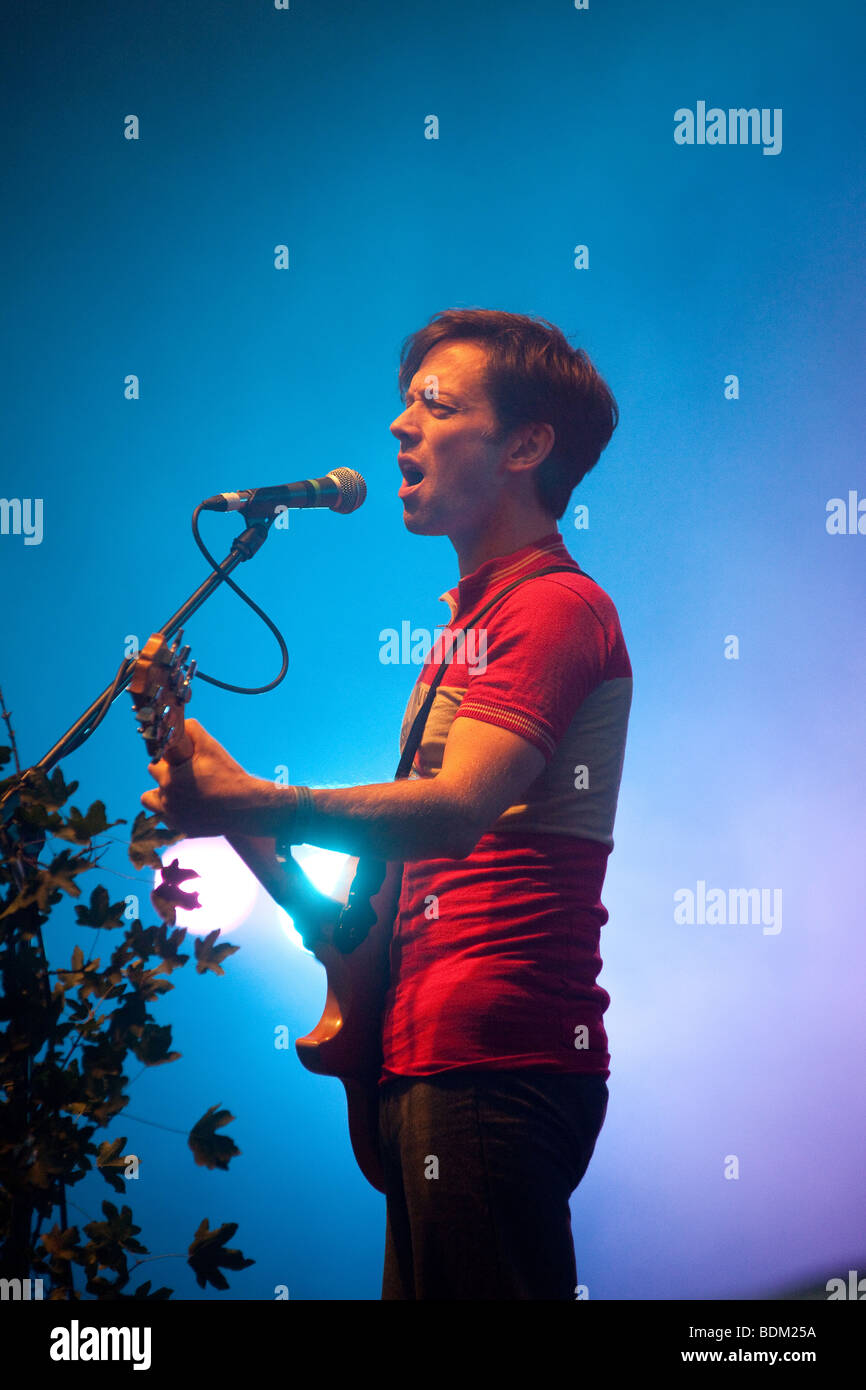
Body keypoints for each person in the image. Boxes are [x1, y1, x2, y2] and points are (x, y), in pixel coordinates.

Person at [141, 307, 632, 1301]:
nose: (400, 426)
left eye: (434, 404)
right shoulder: (469, 627)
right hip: (423, 1056)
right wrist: (213, 786)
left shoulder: (551, 605)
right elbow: (355, 920)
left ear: (525, 445)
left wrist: (257, 798)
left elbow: (453, 812)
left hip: (495, 1060)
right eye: (403, 403)